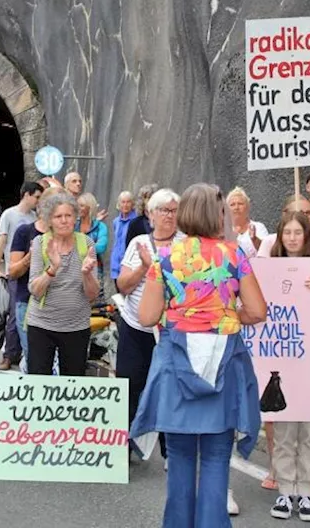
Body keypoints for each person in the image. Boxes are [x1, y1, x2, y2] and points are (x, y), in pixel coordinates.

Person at [132, 184, 267, 528]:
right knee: (217, 456)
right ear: (217, 214)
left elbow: (146, 316)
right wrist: (226, 315)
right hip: (224, 360)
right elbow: (257, 310)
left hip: (177, 361)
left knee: (179, 456)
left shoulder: (165, 258)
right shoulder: (234, 255)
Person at [266, 211, 310, 522]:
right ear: (280, 237)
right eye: (288, 233)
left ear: (307, 237)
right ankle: (285, 490)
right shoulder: (267, 270)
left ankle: (306, 492)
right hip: (281, 355)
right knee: (283, 428)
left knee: (309, 428)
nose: (293, 238)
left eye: (298, 233)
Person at [116, 189, 181, 458]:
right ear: (150, 215)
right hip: (135, 327)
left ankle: (171, 451)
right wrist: (145, 267)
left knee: (170, 389)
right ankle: (123, 448)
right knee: (128, 385)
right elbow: (123, 285)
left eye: (173, 210)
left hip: (171, 331)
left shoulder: (187, 245)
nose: (169, 215)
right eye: (163, 210)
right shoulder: (139, 243)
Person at [27, 191, 100, 376]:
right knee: (39, 380)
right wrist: (53, 268)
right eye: (58, 216)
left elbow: (92, 295)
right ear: (49, 220)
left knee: (73, 381)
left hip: (76, 326)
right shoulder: (40, 243)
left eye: (68, 215)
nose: (64, 220)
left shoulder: (87, 243)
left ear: (76, 217)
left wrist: (87, 274)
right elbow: (35, 290)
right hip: (42, 325)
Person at [0, 181, 42, 370]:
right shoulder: (9, 214)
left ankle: (22, 352)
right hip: (14, 269)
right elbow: (2, 240)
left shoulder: (35, 217)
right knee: (15, 315)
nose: (38, 202)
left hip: (34, 272)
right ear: (26, 195)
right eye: (37, 197)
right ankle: (9, 355)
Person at [259, 197, 310, 265]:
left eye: (308, 213)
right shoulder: (269, 242)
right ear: (285, 214)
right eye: (300, 213)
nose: (304, 217)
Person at [227, 187, 268, 256]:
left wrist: (254, 239)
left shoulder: (258, 227)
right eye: (232, 205)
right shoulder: (223, 231)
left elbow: (266, 251)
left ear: (247, 207)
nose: (236, 207)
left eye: (240, 204)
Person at [109, 190, 138, 280]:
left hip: (129, 264)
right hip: (116, 265)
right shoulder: (116, 221)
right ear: (119, 204)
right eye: (123, 202)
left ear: (132, 204)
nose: (125, 205)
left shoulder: (136, 221)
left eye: (128, 202)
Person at [76, 192, 109, 262]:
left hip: (94, 266)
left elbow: (101, 247)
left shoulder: (100, 226)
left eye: (81, 206)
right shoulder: (73, 225)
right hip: (74, 266)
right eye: (77, 205)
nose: (78, 208)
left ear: (90, 207)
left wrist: (79, 247)